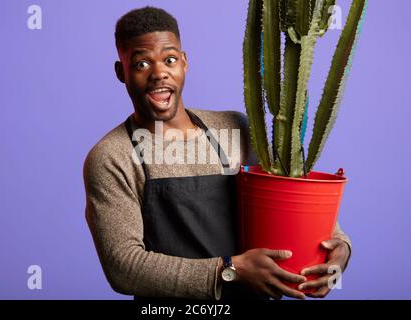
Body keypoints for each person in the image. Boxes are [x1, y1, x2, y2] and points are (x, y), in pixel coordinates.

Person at [83, 6, 352, 301]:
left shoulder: (237, 129)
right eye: (141, 64)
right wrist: (230, 270)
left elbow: (289, 196)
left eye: (169, 59)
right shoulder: (112, 157)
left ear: (184, 63)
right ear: (121, 72)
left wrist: (339, 247)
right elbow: (124, 268)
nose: (159, 73)